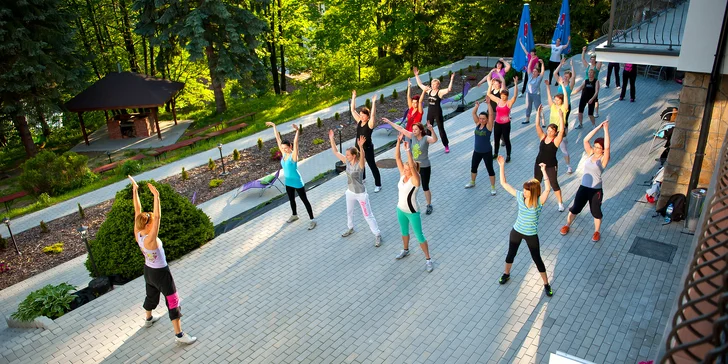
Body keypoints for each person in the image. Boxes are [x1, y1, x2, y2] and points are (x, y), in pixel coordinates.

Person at [127, 176, 196, 345]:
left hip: (148, 271)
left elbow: (137, 210)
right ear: (149, 225)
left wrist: (135, 190)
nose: (151, 217)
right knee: (173, 299)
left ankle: (148, 318)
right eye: (149, 218)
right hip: (161, 273)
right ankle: (179, 335)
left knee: (151, 295)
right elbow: (157, 217)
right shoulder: (150, 239)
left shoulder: (138, 233)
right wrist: (156, 196)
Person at [495, 157, 554, 297]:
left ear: (533, 191)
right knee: (511, 254)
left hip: (531, 234)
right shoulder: (520, 196)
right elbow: (504, 183)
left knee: (537, 258)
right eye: (524, 189)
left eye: (527, 190)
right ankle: (506, 274)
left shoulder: (539, 202)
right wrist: (502, 166)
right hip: (516, 231)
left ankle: (546, 284)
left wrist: (543, 171)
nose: (524, 191)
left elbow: (547, 189)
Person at [328, 131, 382, 246]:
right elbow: (335, 152)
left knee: (368, 215)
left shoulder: (360, 165)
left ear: (353, 155)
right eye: (346, 155)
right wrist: (332, 139)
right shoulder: (347, 162)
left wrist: (361, 147)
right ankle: (350, 228)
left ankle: (377, 234)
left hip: (361, 194)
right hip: (350, 192)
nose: (346, 156)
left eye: (348, 155)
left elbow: (362, 157)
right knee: (349, 212)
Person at [560, 120, 611, 243]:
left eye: (599, 148)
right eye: (596, 146)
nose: (596, 149)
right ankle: (567, 224)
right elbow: (585, 140)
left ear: (603, 150)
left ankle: (596, 232)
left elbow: (608, 147)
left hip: (595, 190)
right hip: (584, 187)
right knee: (575, 207)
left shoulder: (603, 159)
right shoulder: (590, 153)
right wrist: (598, 127)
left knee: (596, 211)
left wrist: (605, 130)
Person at [393, 134, 434, 273]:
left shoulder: (416, 180)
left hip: (413, 212)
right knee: (404, 232)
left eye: (407, 169)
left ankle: (428, 259)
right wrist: (398, 143)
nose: (405, 170)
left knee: (419, 235)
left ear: (413, 170)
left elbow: (411, 164)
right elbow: (397, 159)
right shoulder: (403, 175)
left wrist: (408, 151)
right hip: (401, 210)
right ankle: (405, 250)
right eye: (404, 169)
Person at [382, 119, 438, 215]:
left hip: (424, 166)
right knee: (410, 185)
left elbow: (434, 140)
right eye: (413, 129)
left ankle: (429, 205)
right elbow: (401, 129)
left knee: (425, 187)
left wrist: (432, 130)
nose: (413, 131)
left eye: (415, 129)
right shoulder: (412, 136)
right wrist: (389, 122)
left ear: (420, 130)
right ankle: (408, 203)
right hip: (414, 166)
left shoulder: (426, 138)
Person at [266, 122, 317, 230]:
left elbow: (296, 142)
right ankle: (294, 215)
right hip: (288, 182)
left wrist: (297, 131)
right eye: (283, 148)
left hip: (297, 182)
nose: (284, 149)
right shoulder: (284, 154)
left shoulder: (293, 155)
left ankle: (312, 220)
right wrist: (274, 126)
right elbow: (277, 138)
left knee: (305, 201)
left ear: (290, 147)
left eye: (286, 148)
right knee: (291, 200)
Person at [413, 67, 455, 153]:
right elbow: (420, 85)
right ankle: (425, 146)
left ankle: (446, 145)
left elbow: (449, 89)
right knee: (428, 129)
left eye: (434, 84)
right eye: (432, 84)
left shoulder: (439, 92)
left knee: (441, 129)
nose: (433, 85)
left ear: (438, 85)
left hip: (437, 112)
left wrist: (451, 79)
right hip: (430, 113)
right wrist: (417, 75)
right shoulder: (429, 91)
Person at [534, 105, 566, 211]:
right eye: (548, 130)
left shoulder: (556, 141)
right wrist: (538, 113)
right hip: (539, 163)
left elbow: (562, 131)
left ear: (555, 132)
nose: (549, 132)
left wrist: (561, 117)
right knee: (537, 182)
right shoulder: (543, 137)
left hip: (551, 165)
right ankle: (535, 201)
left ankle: (560, 203)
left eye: (552, 131)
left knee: (554, 184)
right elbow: (537, 125)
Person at [351, 90, 382, 192]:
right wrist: (354, 96)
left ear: (367, 116)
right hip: (358, 147)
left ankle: (378, 184)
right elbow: (352, 110)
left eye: (363, 115)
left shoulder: (370, 124)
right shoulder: (359, 121)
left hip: (367, 148)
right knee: (360, 164)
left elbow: (373, 115)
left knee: (372, 165)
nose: (361, 117)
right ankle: (363, 178)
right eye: (360, 115)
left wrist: (373, 102)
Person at [464, 100, 496, 195]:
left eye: (483, 119)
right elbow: (473, 113)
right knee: (474, 167)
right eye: (480, 118)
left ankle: (493, 187)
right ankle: (472, 182)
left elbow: (491, 114)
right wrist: (476, 106)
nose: (481, 120)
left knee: (490, 169)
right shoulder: (478, 124)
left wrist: (489, 104)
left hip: (487, 152)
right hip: (477, 151)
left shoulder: (489, 126)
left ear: (486, 119)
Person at [545, 70, 573, 174]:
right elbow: (548, 98)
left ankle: (568, 166)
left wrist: (562, 85)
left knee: (563, 149)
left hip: (560, 131)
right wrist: (548, 87)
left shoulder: (564, 108)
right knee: (549, 149)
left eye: (558, 100)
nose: (556, 101)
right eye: (555, 100)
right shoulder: (553, 107)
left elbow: (566, 97)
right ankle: (548, 166)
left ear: (561, 101)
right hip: (552, 131)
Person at [486, 76, 518, 163]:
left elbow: (515, 96)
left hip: (506, 124)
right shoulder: (498, 100)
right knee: (496, 139)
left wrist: (515, 84)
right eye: (502, 96)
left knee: (506, 139)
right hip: (497, 123)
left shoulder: (509, 103)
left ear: (507, 96)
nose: (503, 97)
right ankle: (495, 153)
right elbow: (489, 94)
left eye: (505, 96)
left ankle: (508, 155)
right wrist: (491, 85)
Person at [581, 47, 603, 117]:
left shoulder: (597, 67)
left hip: (594, 84)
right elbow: (583, 59)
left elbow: (601, 60)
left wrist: (599, 52)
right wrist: (583, 51)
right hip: (586, 83)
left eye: (594, 59)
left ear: (596, 60)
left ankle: (596, 112)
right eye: (591, 59)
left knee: (595, 99)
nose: (592, 60)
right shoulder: (588, 66)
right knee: (584, 96)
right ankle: (581, 109)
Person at [523, 58, 545, 125]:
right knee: (528, 107)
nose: (534, 72)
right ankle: (527, 119)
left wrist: (542, 64)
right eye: (533, 71)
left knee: (538, 107)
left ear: (538, 73)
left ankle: (543, 122)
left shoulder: (539, 78)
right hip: (528, 94)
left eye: (535, 71)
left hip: (536, 95)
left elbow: (542, 72)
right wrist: (531, 60)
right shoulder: (530, 76)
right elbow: (529, 68)